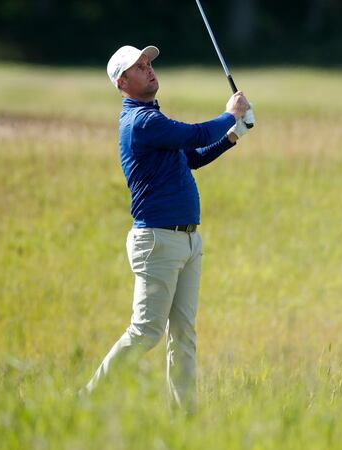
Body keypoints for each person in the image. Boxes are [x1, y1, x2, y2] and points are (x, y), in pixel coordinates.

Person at [81, 45, 253, 414]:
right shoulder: (141, 122)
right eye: (139, 67)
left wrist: (233, 134)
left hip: (187, 240)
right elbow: (195, 135)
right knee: (145, 332)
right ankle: (86, 400)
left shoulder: (154, 121)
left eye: (148, 64)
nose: (149, 69)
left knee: (184, 334)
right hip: (157, 240)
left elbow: (193, 157)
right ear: (122, 83)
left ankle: (184, 417)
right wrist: (230, 114)